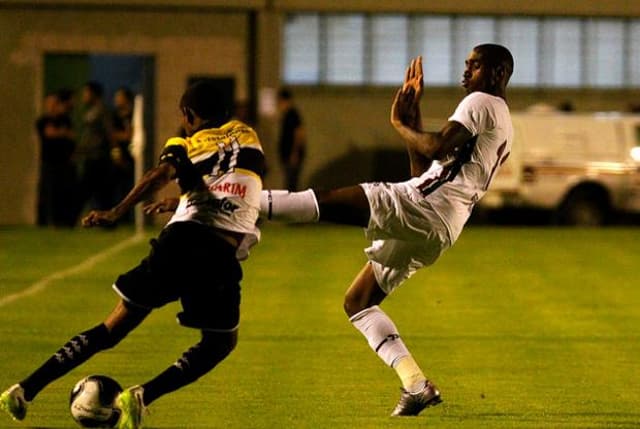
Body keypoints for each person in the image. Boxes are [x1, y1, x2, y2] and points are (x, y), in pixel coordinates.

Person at [261, 44, 514, 416]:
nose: (466, 73)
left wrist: (399, 124)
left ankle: (233, 204)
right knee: (358, 302)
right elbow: (424, 168)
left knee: (324, 201)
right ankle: (415, 384)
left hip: (426, 207)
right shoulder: (502, 117)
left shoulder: (481, 102)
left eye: (474, 66)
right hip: (441, 224)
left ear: (496, 74)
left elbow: (435, 145)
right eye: (466, 65)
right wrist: (412, 122)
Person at [0, 80, 266, 429]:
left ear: (187, 114)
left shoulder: (183, 143)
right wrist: (184, 199)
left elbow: (161, 174)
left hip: (181, 242)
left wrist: (117, 210)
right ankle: (143, 395)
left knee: (111, 329)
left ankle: (24, 390)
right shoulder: (249, 136)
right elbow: (231, 179)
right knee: (219, 344)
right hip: (217, 253)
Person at [35, 91, 78, 227]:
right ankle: (47, 221)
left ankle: (63, 221)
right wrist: (62, 133)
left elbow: (72, 136)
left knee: (63, 192)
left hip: (64, 162)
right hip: (49, 162)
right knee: (48, 192)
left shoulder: (64, 119)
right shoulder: (42, 120)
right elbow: (49, 133)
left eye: (55, 103)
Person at [76, 81, 115, 214]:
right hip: (90, 156)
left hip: (99, 157)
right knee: (88, 189)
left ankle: (108, 219)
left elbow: (109, 132)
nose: (84, 96)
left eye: (86, 92)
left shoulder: (102, 111)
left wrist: (114, 151)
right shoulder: (91, 111)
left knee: (99, 191)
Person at [111, 87, 136, 221]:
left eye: (119, 97)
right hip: (120, 156)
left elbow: (131, 135)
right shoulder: (115, 116)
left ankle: (131, 217)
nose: (116, 100)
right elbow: (114, 136)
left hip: (133, 156)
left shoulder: (134, 114)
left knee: (132, 188)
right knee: (118, 188)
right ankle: (119, 217)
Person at [277, 88, 306, 191]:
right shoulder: (287, 115)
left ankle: (293, 206)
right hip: (288, 155)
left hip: (291, 155)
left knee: (291, 184)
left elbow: (299, 134)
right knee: (289, 182)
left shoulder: (292, 114)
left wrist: (295, 153)